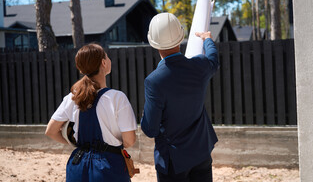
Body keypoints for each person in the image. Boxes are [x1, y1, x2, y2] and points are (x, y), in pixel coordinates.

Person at [141, 12, 219, 182]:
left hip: (173, 161)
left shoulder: (154, 81)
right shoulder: (199, 66)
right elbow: (213, 59)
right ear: (181, 36)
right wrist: (207, 39)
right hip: (201, 151)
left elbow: (150, 129)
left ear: (153, 42)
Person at [45, 43, 137, 182]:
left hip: (77, 165)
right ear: (104, 63)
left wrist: (74, 144)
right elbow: (129, 140)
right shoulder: (117, 98)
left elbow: (51, 131)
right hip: (108, 167)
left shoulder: (72, 97)